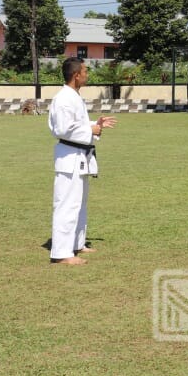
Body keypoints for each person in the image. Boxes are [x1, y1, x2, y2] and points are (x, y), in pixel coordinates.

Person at [47, 57, 116, 265]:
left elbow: (75, 124)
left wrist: (96, 124)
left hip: (80, 156)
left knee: (79, 204)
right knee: (66, 204)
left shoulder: (74, 96)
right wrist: (90, 130)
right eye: (85, 71)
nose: (87, 74)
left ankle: (77, 243)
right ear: (76, 75)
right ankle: (61, 252)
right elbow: (61, 129)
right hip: (69, 157)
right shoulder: (63, 98)